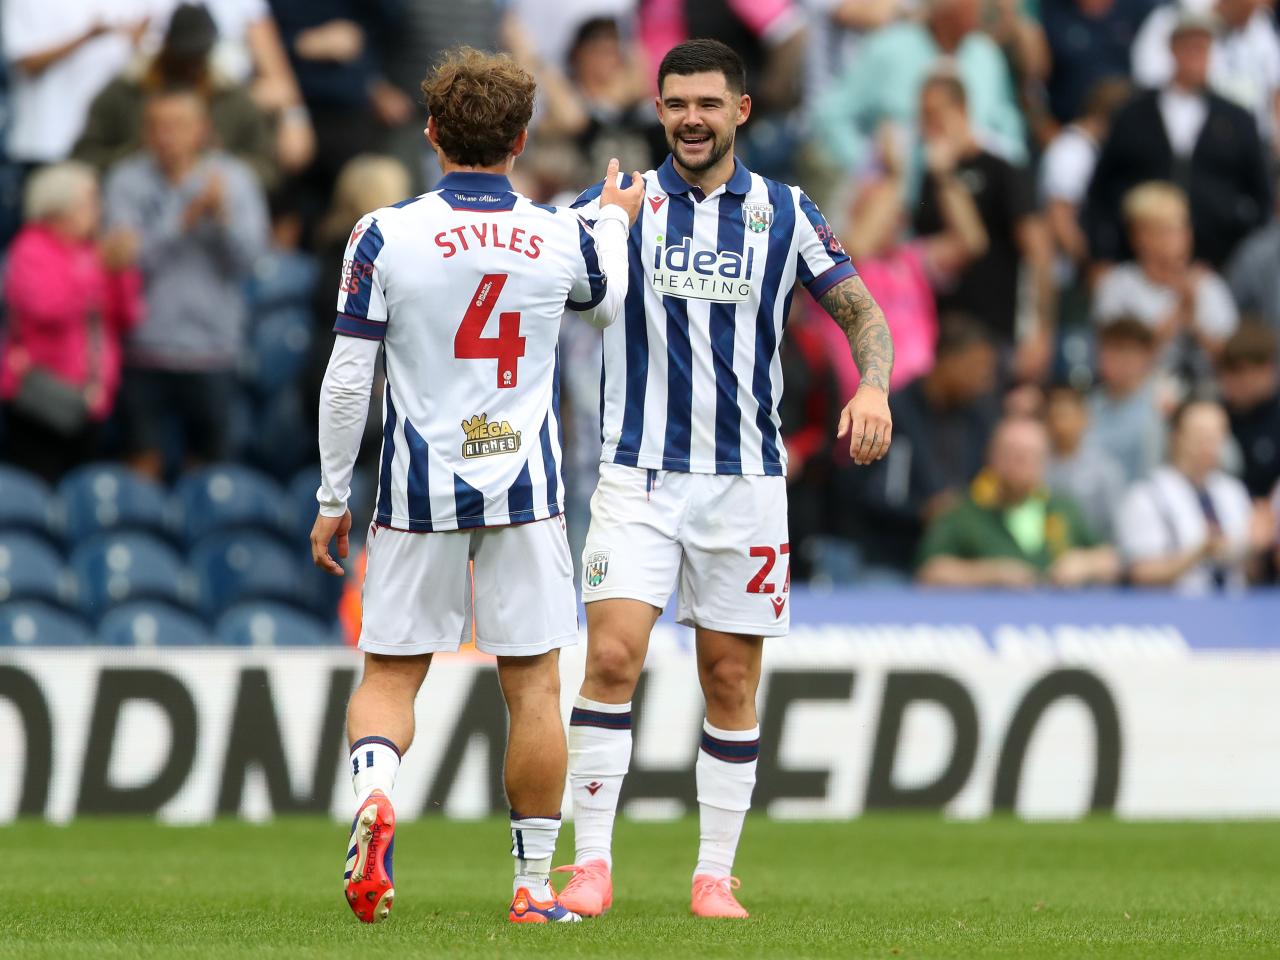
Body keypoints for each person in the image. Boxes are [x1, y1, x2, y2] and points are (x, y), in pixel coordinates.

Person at [556, 39, 894, 920]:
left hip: (745, 483)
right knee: (615, 657)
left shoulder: (786, 211)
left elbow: (858, 307)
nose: (692, 119)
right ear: (658, 110)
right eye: (676, 104)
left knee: (729, 680)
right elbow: (535, 268)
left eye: (708, 103)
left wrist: (875, 386)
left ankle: (714, 873)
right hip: (636, 476)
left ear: (742, 110)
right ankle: (591, 866)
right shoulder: (618, 205)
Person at [307, 47, 644, 925]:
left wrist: (333, 496)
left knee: (389, 676)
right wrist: (609, 216)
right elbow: (603, 297)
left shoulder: (383, 233)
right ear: (522, 138)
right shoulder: (557, 236)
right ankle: (534, 888)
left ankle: (376, 796)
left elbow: (349, 378)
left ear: (430, 133)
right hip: (526, 491)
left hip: (419, 489)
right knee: (533, 684)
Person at [103, 87, 270, 480]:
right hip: (143, 349)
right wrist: (183, 220)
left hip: (213, 350)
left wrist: (222, 219)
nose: (167, 135)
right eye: (157, 126)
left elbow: (251, 260)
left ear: (203, 130)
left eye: (178, 125)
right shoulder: (126, 180)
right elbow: (121, 262)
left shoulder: (235, 179)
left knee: (209, 474)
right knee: (140, 468)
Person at [1084, 10, 1270, 269]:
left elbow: (1261, 196)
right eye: (1189, 47)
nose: (1196, 56)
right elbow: (1101, 189)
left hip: (1215, 264)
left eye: (1202, 48)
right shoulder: (1133, 114)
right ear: (1172, 49)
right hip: (1136, 263)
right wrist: (1101, 255)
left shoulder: (1237, 119)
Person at [0, 161, 142, 482]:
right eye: (88, 202)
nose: (97, 210)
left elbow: (127, 315)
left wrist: (121, 272)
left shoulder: (93, 250)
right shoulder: (30, 248)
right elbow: (46, 307)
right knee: (37, 485)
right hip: (41, 397)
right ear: (58, 206)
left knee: (84, 486)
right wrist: (98, 267)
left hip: (91, 399)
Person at [827, 314, 1001, 575]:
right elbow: (862, 491)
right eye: (977, 368)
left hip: (952, 559)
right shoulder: (894, 411)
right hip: (886, 558)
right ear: (948, 360)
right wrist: (921, 511)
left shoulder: (977, 417)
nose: (984, 380)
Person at [911, 73, 1054, 381]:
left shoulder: (1002, 168)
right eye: (923, 115)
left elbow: (1038, 251)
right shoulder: (929, 176)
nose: (928, 124)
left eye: (936, 113)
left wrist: (1041, 331)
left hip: (993, 333)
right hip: (941, 334)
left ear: (961, 110)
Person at [74, 3, 278, 189]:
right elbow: (84, 158)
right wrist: (141, 153)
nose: (191, 64)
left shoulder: (231, 97)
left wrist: (220, 163)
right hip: (138, 198)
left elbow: (269, 169)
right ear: (166, 46)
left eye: (198, 54)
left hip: (212, 206)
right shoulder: (126, 90)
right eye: (184, 55)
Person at [814, 0, 1027, 176]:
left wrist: (984, 148)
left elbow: (1009, 128)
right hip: (901, 206)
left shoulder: (986, 56)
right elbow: (831, 114)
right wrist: (869, 167)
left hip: (978, 198)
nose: (979, 6)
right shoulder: (889, 48)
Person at [917, 417, 1122, 588]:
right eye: (1013, 454)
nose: (1022, 463)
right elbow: (930, 571)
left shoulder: (1062, 507)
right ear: (992, 457)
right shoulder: (964, 511)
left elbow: (1111, 559)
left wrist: (1083, 564)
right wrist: (990, 574)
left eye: (1031, 455)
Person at [1092, 181, 1238, 390]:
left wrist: (1195, 322)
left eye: (1183, 228)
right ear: (1138, 236)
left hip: (1203, 398)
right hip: (1136, 398)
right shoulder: (1117, 285)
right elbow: (1114, 363)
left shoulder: (1207, 284)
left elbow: (1231, 361)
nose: (1180, 238)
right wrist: (1177, 313)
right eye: (1166, 230)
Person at [1116, 398, 1270, 592]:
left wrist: (1255, 547)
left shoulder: (1234, 491)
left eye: (1217, 436)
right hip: (1174, 614)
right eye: (1200, 436)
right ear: (1176, 436)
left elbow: (1249, 575)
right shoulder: (1146, 495)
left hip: (1233, 610)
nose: (1209, 446)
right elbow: (1139, 573)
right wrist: (1199, 554)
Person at [1131, 0, 1280, 147]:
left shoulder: (1260, 25)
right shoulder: (1174, 18)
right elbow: (1149, 84)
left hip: (1253, 141)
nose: (1251, 16)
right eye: (1247, 8)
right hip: (1185, 137)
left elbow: (1275, 88)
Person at [1087, 316, 1167, 484]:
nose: (1117, 359)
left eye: (1125, 350)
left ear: (1146, 356)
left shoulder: (1160, 408)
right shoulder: (1089, 404)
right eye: (1109, 349)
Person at [1044, 382, 1127, 540]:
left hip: (1092, 550)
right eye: (1053, 417)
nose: (1060, 425)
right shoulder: (1038, 464)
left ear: (1084, 418)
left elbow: (1116, 524)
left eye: (1065, 416)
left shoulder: (1105, 468)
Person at [1218, 324, 1280, 499]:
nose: (1230, 380)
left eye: (1240, 370)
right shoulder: (1215, 416)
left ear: (1267, 370)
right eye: (1225, 370)